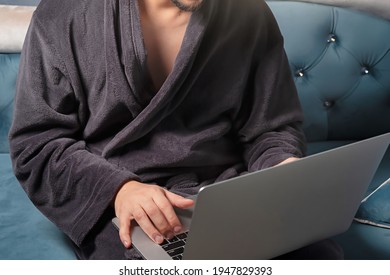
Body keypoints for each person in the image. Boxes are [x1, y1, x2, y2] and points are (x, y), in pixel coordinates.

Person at [9, 0, 343, 260]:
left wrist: (281, 166)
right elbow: (38, 144)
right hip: (126, 208)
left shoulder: (249, 14)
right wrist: (120, 191)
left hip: (228, 195)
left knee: (317, 258)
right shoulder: (63, 15)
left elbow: (272, 127)